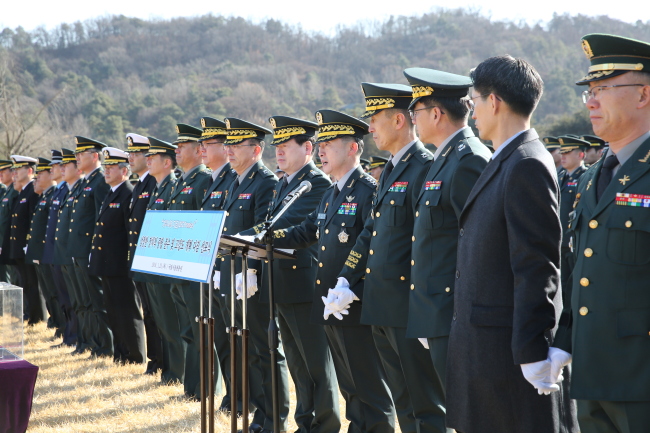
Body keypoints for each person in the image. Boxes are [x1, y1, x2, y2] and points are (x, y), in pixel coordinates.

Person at [445, 55, 578, 433]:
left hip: (507, 358)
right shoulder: (507, 159)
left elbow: (536, 264)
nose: (471, 111)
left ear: (495, 102)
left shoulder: (526, 163)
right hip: (486, 351)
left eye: (475, 100)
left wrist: (534, 350)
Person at [272, 109, 396, 433]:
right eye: (321, 142)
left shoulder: (368, 191)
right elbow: (305, 232)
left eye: (330, 142)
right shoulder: (331, 193)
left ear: (353, 148)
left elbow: (373, 247)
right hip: (330, 304)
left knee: (371, 389)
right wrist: (267, 237)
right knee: (351, 390)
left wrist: (352, 286)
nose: (322, 149)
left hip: (355, 305)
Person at [553, 33, 650, 433]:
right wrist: (564, 339)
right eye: (590, 91)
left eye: (604, 89)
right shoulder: (595, 177)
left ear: (644, 95)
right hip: (594, 376)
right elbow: (583, 269)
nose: (591, 101)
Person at [334, 82, 439, 433]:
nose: (370, 127)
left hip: (409, 307)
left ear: (398, 120)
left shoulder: (424, 167)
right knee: (404, 402)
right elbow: (371, 234)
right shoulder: (392, 169)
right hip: (382, 306)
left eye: (375, 118)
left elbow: (427, 244)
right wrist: (346, 277)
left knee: (425, 406)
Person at [240, 115, 339, 433]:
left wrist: (248, 237)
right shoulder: (287, 183)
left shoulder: (316, 183)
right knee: (298, 364)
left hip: (302, 283)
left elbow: (285, 226)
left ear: (307, 147)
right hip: (280, 283)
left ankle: (325, 424)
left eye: (286, 145)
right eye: (277, 145)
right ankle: (305, 423)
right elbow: (269, 224)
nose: (279, 151)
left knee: (316, 365)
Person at [403, 67, 491, 413]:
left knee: (470, 415)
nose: (413, 119)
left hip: (452, 314)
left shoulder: (468, 160)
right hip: (434, 312)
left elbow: (478, 246)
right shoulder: (445, 159)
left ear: (436, 113)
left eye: (416, 112)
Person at [219, 117, 288, 433]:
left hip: (253, 280)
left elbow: (263, 232)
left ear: (257, 149)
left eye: (236, 145)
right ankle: (261, 415)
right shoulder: (236, 181)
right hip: (232, 274)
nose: (229, 150)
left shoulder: (265, 182)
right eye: (228, 145)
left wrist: (250, 272)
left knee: (265, 350)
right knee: (248, 350)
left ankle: (273, 418)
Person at [167, 123, 213, 400]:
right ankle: (192, 386)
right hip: (179, 266)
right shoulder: (183, 180)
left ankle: (204, 389)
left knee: (200, 330)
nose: (176, 151)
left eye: (181, 146)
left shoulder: (203, 180)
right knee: (188, 329)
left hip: (195, 267)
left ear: (198, 151)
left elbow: (201, 224)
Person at [89, 147, 145, 364]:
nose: (107, 172)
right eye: (106, 167)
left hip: (120, 264)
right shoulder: (112, 193)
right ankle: (121, 353)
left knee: (128, 311)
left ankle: (135, 355)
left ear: (124, 171)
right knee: (114, 311)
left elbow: (128, 232)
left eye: (111, 168)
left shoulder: (127, 193)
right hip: (108, 264)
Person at [198, 116, 238, 412]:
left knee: (235, 339)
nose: (202, 148)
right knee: (221, 339)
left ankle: (240, 396)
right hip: (213, 270)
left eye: (208, 143)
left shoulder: (232, 179)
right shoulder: (214, 180)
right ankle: (232, 395)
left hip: (233, 271)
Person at [138, 137, 185, 385]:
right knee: (162, 323)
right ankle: (169, 371)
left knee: (172, 323)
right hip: (155, 264)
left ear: (167, 163)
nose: (147, 161)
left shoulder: (172, 185)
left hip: (168, 265)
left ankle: (177, 373)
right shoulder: (158, 187)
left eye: (152, 158)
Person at [70, 136, 111, 358]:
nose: (76, 158)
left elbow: (100, 220)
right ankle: (92, 342)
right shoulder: (87, 181)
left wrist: (94, 251)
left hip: (89, 251)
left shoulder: (100, 181)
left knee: (97, 302)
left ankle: (104, 346)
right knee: (85, 301)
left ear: (95, 156)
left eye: (80, 154)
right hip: (78, 251)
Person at [126, 133, 163, 375]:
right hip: (140, 258)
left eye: (136, 154)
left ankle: (160, 360)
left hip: (151, 259)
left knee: (156, 313)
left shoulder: (153, 184)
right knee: (148, 312)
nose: (132, 158)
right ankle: (155, 359)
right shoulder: (140, 184)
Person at [25, 157, 65, 335]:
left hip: (50, 251)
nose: (37, 178)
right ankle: (56, 322)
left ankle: (61, 324)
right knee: (50, 291)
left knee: (56, 292)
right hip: (43, 251)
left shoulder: (53, 193)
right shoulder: (49, 195)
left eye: (41, 174)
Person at [53, 149, 87, 354]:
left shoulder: (82, 187)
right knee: (70, 299)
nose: (63, 168)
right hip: (63, 253)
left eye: (67, 165)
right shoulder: (69, 189)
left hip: (77, 253)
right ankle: (73, 336)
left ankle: (80, 338)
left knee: (84, 302)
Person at [42, 150, 77, 347]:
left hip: (66, 252)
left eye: (63, 166)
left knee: (73, 299)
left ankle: (74, 336)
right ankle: (68, 334)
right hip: (57, 251)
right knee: (64, 297)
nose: (60, 169)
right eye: (58, 166)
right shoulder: (60, 190)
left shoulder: (68, 189)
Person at [9, 155, 46, 324]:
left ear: (30, 171)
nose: (15, 173)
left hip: (27, 246)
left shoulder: (32, 191)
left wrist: (28, 244)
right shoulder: (23, 191)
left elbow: (33, 220)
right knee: (26, 283)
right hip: (19, 247)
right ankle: (31, 314)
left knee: (33, 283)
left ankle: (37, 317)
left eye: (18, 169)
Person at [557, 135, 588, 299]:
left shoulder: (585, 177)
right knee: (560, 284)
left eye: (568, 152)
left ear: (581, 155)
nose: (563, 156)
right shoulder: (561, 176)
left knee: (572, 286)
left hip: (572, 242)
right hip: (559, 241)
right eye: (562, 152)